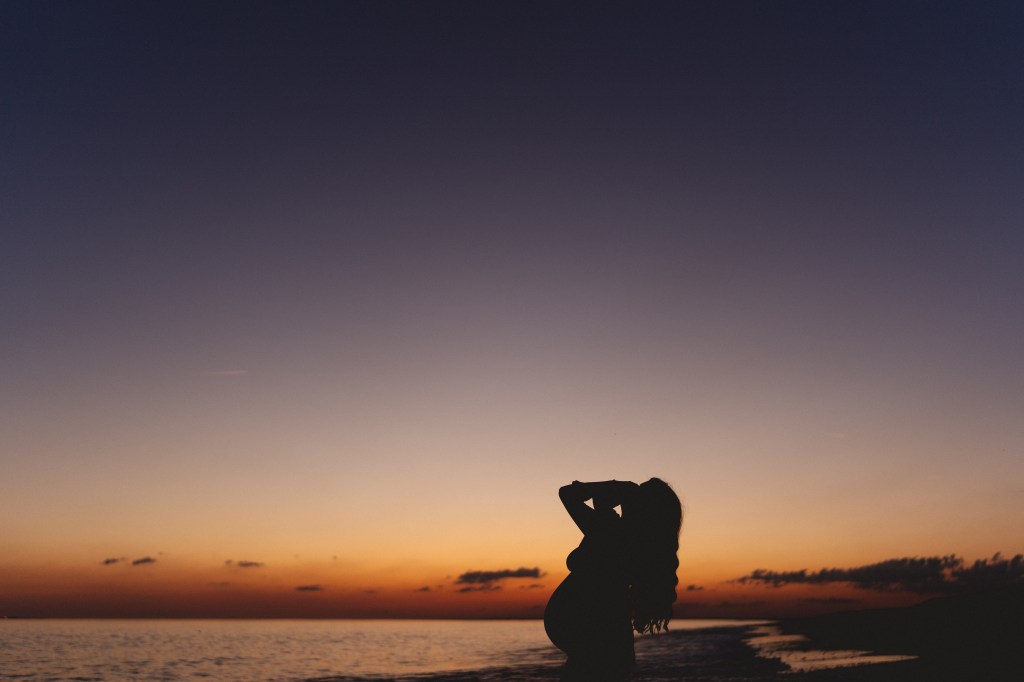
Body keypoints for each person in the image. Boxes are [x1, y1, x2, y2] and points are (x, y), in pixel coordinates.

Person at [544, 478, 682, 681]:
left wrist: (617, 485)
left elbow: (567, 494)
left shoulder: (611, 530)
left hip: (600, 637)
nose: (630, 496)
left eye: (637, 495)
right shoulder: (617, 531)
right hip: (604, 637)